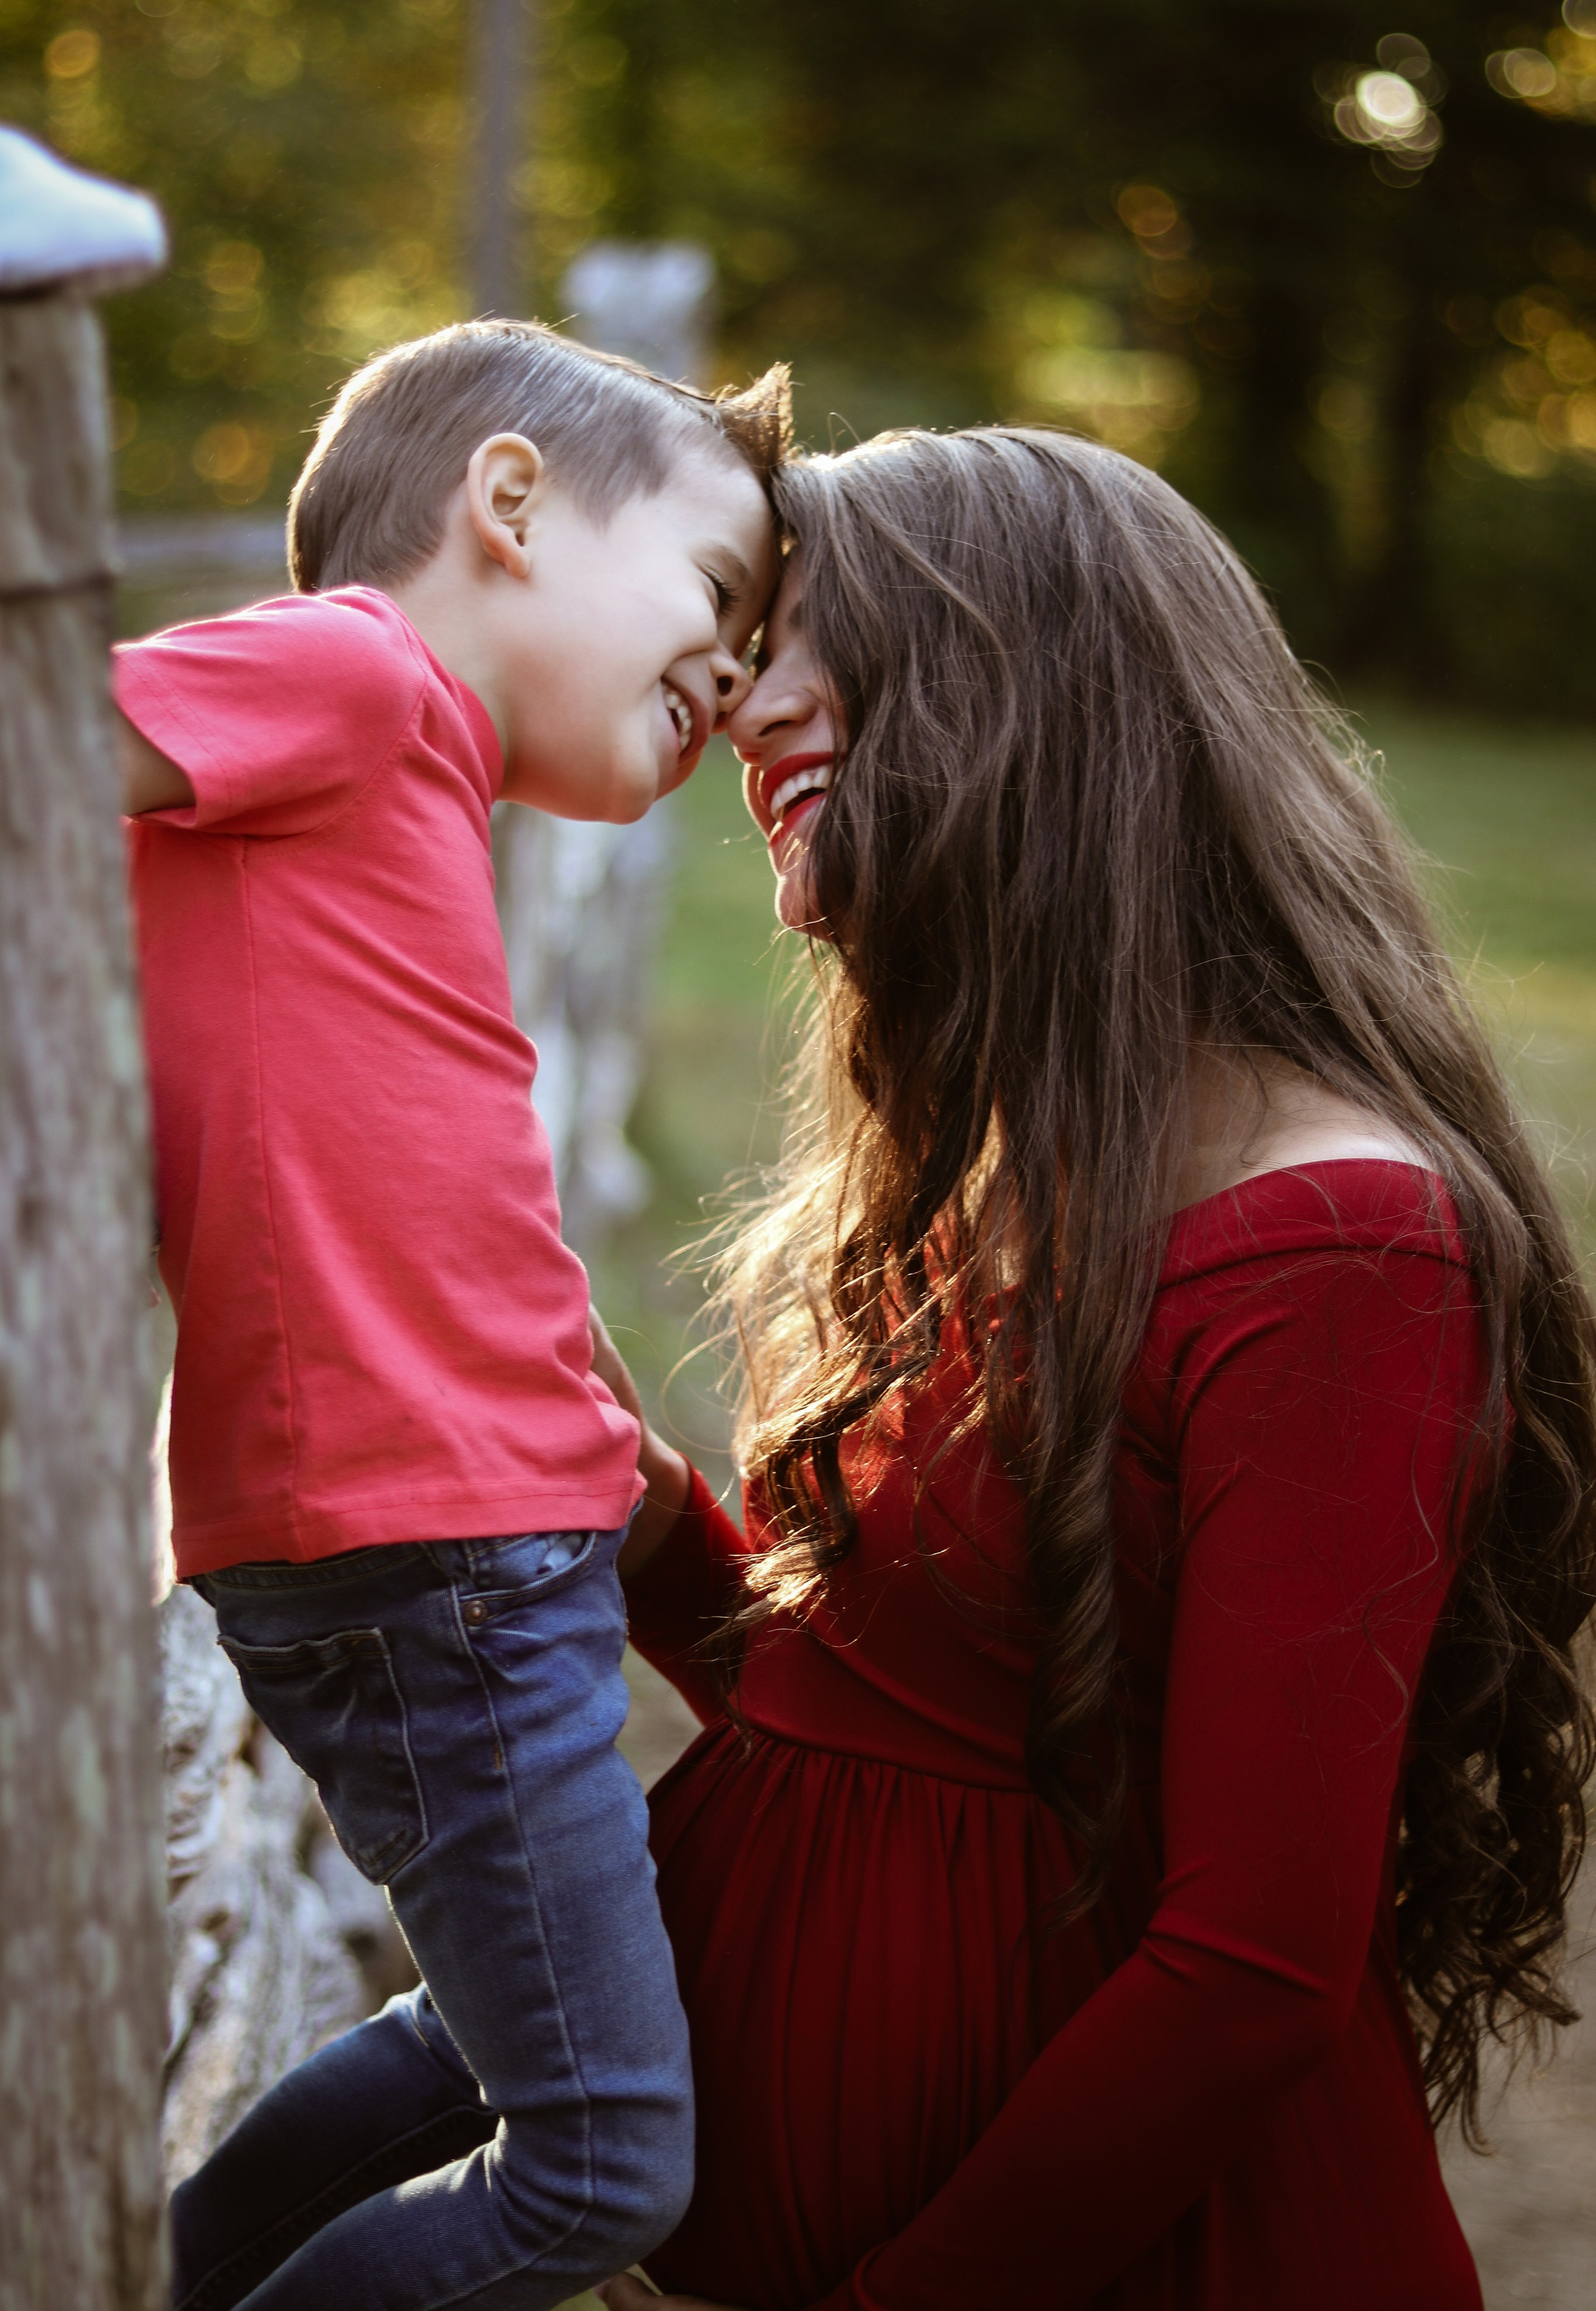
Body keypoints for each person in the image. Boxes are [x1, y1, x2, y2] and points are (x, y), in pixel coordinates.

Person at [589, 428, 1596, 2311]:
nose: (747, 701)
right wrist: (648, 1527)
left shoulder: (1339, 1254)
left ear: (1035, 687)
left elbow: (1250, 1971)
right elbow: (898, 1721)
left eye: (821, 642)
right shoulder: (1028, 1172)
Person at [113, 320, 784, 2311]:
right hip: (431, 1555)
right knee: (600, 2171)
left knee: (498, 2051)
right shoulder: (351, 675)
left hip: (473, 1546)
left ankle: (155, 2277)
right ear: (510, 507)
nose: (736, 673)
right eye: (717, 593)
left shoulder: (399, 775)